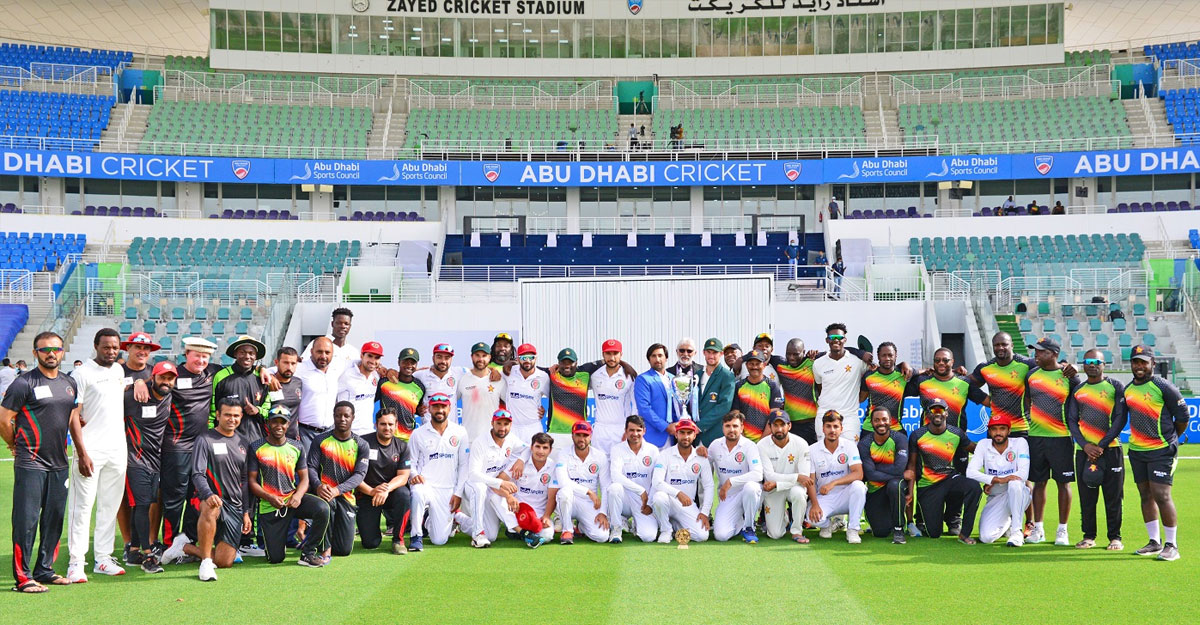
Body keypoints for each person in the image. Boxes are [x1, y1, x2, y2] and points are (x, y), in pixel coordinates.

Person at [1, 331, 91, 593]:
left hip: (59, 463)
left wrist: (81, 450)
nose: (51, 354)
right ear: (35, 353)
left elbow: (72, 416)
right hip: (31, 462)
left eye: (56, 349)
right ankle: (23, 578)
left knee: (54, 518)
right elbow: (4, 419)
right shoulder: (23, 383)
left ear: (62, 352)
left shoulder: (69, 382)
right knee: (26, 520)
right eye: (45, 350)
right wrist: (14, 444)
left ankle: (45, 570)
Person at [160, 398, 250, 581]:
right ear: (217, 415)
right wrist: (208, 494)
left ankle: (183, 548)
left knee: (225, 561)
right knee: (212, 506)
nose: (232, 419)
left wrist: (246, 512)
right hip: (206, 499)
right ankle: (206, 563)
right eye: (227, 415)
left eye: (236, 416)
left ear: (241, 417)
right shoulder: (205, 439)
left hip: (234, 505)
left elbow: (244, 480)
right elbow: (197, 474)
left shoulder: (244, 442)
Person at [67, 328, 129, 581]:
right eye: (106, 347)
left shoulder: (119, 370)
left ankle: (103, 558)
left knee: (109, 506)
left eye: (115, 347)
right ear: (96, 346)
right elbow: (73, 414)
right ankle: (76, 563)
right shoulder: (81, 373)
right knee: (81, 507)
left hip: (117, 449)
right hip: (90, 449)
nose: (111, 351)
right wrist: (81, 453)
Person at [1123, 345, 1189, 561]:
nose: (1139, 366)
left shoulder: (1163, 386)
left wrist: (1171, 439)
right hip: (1137, 450)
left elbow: (1183, 417)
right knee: (1145, 495)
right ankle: (1154, 542)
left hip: (1161, 451)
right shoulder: (1128, 389)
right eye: (1135, 362)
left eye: (1143, 362)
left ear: (1152, 363)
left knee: (1161, 495)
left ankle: (1172, 545)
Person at [247, 406, 329, 567]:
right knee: (275, 558)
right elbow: (252, 482)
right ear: (268, 423)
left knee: (322, 508)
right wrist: (269, 497)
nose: (279, 426)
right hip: (270, 506)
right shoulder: (256, 447)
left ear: (288, 424)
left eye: (283, 422)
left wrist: (298, 496)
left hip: (292, 500)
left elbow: (305, 479)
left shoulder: (297, 447)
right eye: (275, 422)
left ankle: (308, 553)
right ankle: (277, 543)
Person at [160, 337, 221, 550]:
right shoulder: (173, 375)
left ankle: (186, 540)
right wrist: (139, 383)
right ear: (186, 354)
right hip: (176, 446)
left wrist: (262, 370)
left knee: (197, 496)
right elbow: (153, 383)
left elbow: (239, 370)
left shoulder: (212, 372)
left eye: (205, 357)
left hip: (201, 448)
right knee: (174, 498)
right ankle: (168, 544)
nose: (201, 361)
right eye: (197, 356)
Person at [1066, 349, 1127, 550]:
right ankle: (1089, 536)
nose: (1092, 365)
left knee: (1113, 496)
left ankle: (1115, 538)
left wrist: (1101, 445)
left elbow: (1120, 418)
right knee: (1087, 497)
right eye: (1088, 361)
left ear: (1104, 364)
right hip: (1084, 452)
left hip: (1111, 450)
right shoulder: (1078, 390)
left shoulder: (1115, 386)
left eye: (1097, 362)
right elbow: (1072, 420)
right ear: (1083, 364)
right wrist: (1085, 445)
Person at [1024, 337, 1080, 546]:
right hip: (1036, 437)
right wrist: (1030, 419)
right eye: (1035, 351)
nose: (1036, 355)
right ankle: (1038, 529)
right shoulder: (1031, 375)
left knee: (1063, 484)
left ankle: (1062, 530)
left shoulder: (1069, 376)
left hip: (1061, 437)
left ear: (1054, 354)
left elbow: (1078, 402)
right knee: (1039, 483)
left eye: (1041, 351)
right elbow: (1028, 399)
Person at [123, 361, 177, 573]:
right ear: (153, 378)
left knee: (142, 505)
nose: (166, 382)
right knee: (143, 505)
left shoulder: (168, 396)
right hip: (134, 459)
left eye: (170, 378)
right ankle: (148, 555)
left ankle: (134, 551)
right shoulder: (133, 397)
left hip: (155, 460)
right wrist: (137, 382)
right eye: (162, 377)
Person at [905, 398, 981, 544]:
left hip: (949, 479)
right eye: (933, 410)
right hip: (928, 485)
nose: (937, 413)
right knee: (934, 533)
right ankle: (933, 518)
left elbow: (976, 449)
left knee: (974, 487)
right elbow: (912, 466)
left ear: (946, 413)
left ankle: (964, 533)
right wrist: (910, 492)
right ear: (928, 414)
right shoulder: (917, 435)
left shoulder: (956, 433)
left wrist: (996, 449)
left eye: (940, 410)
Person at [408, 392, 472, 551]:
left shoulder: (460, 432)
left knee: (439, 540)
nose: (440, 410)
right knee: (417, 493)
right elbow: (410, 462)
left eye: (443, 407)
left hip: (447, 489)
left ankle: (431, 518)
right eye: (436, 406)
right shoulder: (418, 433)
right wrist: (414, 474)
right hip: (426, 485)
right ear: (429, 408)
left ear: (450, 409)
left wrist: (458, 493)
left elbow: (464, 465)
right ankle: (416, 536)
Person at [117, 331, 160, 565]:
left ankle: (148, 540)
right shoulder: (116, 372)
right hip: (120, 444)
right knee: (123, 497)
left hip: (151, 448)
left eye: (146, 349)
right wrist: (135, 382)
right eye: (137, 347)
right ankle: (128, 542)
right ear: (128, 349)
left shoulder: (155, 372)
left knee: (150, 497)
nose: (142, 352)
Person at [308, 401, 370, 559]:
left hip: (346, 497)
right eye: (338, 415)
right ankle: (325, 548)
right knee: (327, 504)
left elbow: (359, 475)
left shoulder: (361, 444)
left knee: (343, 550)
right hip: (325, 493)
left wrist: (338, 490)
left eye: (346, 416)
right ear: (333, 416)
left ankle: (319, 537)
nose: (342, 419)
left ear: (353, 417)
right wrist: (318, 486)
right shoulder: (320, 440)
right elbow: (311, 468)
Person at [966, 414, 1032, 547]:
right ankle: (1008, 522)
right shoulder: (983, 444)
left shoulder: (1020, 443)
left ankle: (1017, 532)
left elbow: (1023, 474)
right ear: (989, 431)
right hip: (995, 497)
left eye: (1002, 429)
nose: (998, 433)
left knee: (1015, 483)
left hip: (1019, 494)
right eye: (994, 429)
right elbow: (970, 472)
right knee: (986, 537)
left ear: (1009, 431)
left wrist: (998, 481)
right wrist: (995, 479)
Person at [464, 408, 524, 548]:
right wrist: (501, 482)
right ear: (492, 423)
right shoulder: (480, 442)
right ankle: (477, 535)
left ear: (511, 425)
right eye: (499, 423)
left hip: (491, 487)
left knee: (491, 535)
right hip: (473, 484)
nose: (502, 428)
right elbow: (473, 474)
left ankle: (460, 519)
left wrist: (520, 460)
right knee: (480, 488)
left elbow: (527, 449)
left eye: (506, 424)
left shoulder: (511, 439)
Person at [355, 408, 412, 555]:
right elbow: (355, 476)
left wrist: (386, 489)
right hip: (368, 494)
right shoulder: (362, 443)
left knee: (404, 494)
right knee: (370, 543)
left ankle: (398, 540)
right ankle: (373, 531)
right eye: (383, 424)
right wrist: (372, 491)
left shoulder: (402, 446)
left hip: (391, 494)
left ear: (396, 425)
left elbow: (403, 476)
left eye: (390, 424)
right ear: (376, 425)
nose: (387, 428)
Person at [806, 410, 867, 543]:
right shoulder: (812, 450)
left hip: (846, 495)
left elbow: (858, 473)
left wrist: (833, 483)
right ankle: (827, 525)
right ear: (823, 428)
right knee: (812, 519)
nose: (832, 430)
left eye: (835, 426)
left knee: (859, 486)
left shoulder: (850, 446)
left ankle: (853, 529)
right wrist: (815, 504)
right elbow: (810, 481)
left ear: (841, 429)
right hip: (824, 497)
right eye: (828, 426)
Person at [651, 419, 713, 544]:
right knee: (659, 497)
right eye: (682, 433)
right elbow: (657, 482)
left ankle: (674, 525)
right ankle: (665, 529)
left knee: (702, 536)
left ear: (694, 435)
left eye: (689, 433)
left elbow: (709, 486)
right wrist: (678, 493)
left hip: (687, 504)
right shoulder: (665, 454)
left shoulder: (701, 457)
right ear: (676, 434)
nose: (686, 437)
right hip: (667, 501)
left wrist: (704, 512)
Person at [968, 332, 1040, 438]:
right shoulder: (985, 368)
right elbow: (966, 384)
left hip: (1021, 428)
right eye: (997, 345)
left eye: (1004, 344)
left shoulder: (1027, 364)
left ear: (1012, 345)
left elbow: (1051, 369)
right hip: (996, 427)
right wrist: (983, 399)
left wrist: (1067, 367)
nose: (1000, 348)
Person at [496, 433, 561, 548]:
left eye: (545, 448)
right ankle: (520, 530)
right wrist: (509, 496)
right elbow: (498, 482)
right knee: (494, 495)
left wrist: (546, 516)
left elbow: (552, 498)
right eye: (537, 447)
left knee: (547, 536)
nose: (540, 451)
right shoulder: (519, 463)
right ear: (531, 447)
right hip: (517, 509)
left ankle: (517, 532)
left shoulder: (553, 467)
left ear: (550, 450)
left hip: (538, 513)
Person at [708, 411, 764, 544]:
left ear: (742, 428)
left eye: (735, 426)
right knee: (721, 536)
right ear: (723, 428)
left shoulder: (750, 446)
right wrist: (698, 453)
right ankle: (740, 522)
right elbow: (705, 466)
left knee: (751, 487)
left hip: (747, 493)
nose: (731, 429)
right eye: (728, 426)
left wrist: (730, 482)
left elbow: (758, 474)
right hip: (728, 497)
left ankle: (749, 527)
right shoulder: (715, 445)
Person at [757, 410, 811, 543]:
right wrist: (797, 477)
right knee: (775, 534)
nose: (779, 429)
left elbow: (804, 478)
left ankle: (797, 531)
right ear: (770, 426)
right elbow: (769, 475)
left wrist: (778, 483)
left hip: (792, 487)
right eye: (775, 425)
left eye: (783, 425)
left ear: (789, 426)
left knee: (799, 493)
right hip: (773, 489)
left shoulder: (801, 443)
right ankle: (785, 518)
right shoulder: (762, 445)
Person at [556, 422, 613, 544]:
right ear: (572, 436)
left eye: (585, 435)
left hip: (589, 503)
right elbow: (562, 481)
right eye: (578, 435)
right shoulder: (563, 453)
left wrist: (602, 512)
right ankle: (567, 530)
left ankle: (581, 527)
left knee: (602, 537)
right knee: (564, 493)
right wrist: (588, 492)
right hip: (570, 499)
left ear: (591, 436)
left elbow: (605, 486)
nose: (581, 439)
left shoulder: (600, 456)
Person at [859, 407, 909, 544]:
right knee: (880, 532)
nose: (881, 423)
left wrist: (877, 468)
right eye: (877, 420)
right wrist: (899, 474)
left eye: (884, 419)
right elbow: (870, 474)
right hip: (875, 489)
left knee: (895, 485)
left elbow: (899, 468)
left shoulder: (900, 439)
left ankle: (899, 529)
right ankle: (885, 518)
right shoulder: (864, 444)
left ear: (890, 421)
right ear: (871, 423)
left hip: (894, 486)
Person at [607, 415, 660, 543]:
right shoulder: (617, 449)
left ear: (644, 431)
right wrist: (640, 490)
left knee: (648, 537)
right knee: (614, 488)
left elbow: (657, 479)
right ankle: (616, 528)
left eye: (638, 430)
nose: (635, 434)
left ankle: (636, 524)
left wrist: (650, 502)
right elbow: (615, 476)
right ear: (625, 431)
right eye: (631, 430)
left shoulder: (653, 450)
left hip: (644, 502)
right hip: (624, 498)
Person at [814, 323, 871, 438]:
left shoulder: (858, 362)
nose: (836, 340)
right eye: (832, 337)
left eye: (839, 337)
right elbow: (820, 388)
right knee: (825, 449)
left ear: (845, 340)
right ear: (827, 340)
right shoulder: (818, 363)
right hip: (824, 415)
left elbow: (879, 370)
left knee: (850, 449)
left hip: (849, 417)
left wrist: (903, 365)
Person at [212, 335, 271, 441]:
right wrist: (212, 435)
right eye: (242, 352)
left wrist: (257, 410)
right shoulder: (221, 376)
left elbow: (268, 412)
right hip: (227, 439)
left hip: (256, 440)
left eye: (251, 353)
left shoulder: (262, 378)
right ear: (235, 354)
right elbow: (212, 411)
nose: (247, 356)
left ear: (256, 356)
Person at [583, 339, 636, 454]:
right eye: (608, 353)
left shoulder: (629, 377)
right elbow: (578, 388)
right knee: (598, 463)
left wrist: (630, 429)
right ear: (603, 355)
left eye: (615, 353)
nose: (612, 358)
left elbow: (635, 406)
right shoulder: (595, 375)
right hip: (600, 430)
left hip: (621, 429)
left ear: (621, 354)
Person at [293, 337, 341, 450]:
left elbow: (359, 363)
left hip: (330, 433)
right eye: (319, 351)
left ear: (332, 354)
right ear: (311, 351)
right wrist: (262, 370)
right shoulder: (299, 368)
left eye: (327, 352)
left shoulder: (336, 370)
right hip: (306, 434)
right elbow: (274, 370)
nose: (323, 356)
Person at [456, 342, 507, 444]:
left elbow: (512, 404)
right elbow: (450, 401)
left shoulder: (499, 380)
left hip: (491, 439)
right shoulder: (462, 379)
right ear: (472, 357)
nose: (480, 359)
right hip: (468, 439)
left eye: (484, 356)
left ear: (489, 357)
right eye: (477, 355)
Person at [730, 349, 784, 442]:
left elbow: (774, 416)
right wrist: (744, 441)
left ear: (764, 365)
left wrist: (762, 441)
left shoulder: (772, 386)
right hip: (743, 440)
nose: (754, 367)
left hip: (767, 440)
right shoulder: (738, 386)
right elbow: (736, 415)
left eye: (758, 364)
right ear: (746, 365)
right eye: (751, 364)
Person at [376, 347, 426, 442]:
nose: (409, 365)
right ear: (399, 362)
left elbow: (416, 409)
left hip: (408, 439)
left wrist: (420, 411)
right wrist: (382, 369)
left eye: (412, 362)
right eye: (405, 362)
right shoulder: (384, 382)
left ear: (416, 364)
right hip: (387, 437)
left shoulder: (420, 387)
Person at [503, 343, 550, 444]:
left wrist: (545, 410)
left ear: (536, 358)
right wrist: (494, 371)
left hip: (533, 427)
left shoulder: (543, 377)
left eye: (531, 357)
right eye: (524, 358)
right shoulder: (509, 371)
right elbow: (491, 372)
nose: (527, 360)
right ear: (518, 359)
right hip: (512, 427)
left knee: (535, 454)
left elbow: (554, 399)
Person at [695, 338, 735, 447]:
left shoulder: (727, 376)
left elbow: (724, 406)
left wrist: (700, 426)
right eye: (708, 352)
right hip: (695, 437)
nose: (711, 356)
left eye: (715, 353)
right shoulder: (697, 375)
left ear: (721, 354)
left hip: (714, 435)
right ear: (704, 352)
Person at [634, 343, 677, 447]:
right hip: (653, 437)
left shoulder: (674, 379)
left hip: (673, 437)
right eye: (653, 356)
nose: (657, 359)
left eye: (660, 355)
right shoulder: (643, 379)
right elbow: (644, 409)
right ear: (649, 359)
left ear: (666, 358)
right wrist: (665, 426)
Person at [336, 341, 383, 437]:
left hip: (368, 431)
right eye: (370, 356)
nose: (373, 361)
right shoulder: (347, 375)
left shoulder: (375, 375)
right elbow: (330, 396)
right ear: (361, 356)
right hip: (348, 433)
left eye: (377, 358)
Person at [859, 342, 907, 434]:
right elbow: (861, 398)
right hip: (870, 428)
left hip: (895, 428)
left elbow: (918, 372)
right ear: (878, 356)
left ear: (895, 356)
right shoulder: (869, 376)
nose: (887, 358)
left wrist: (926, 370)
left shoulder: (903, 375)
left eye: (890, 355)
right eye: (884, 355)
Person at [301, 307, 356, 372]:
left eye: (346, 324)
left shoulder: (353, 351)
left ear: (350, 326)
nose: (343, 326)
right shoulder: (318, 344)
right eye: (339, 323)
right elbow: (303, 364)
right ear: (332, 324)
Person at [269, 347, 304, 441]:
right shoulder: (267, 383)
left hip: (292, 439)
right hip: (271, 440)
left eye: (293, 363)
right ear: (276, 362)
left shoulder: (298, 382)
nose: (289, 367)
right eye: (285, 363)